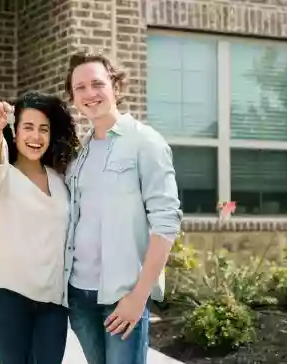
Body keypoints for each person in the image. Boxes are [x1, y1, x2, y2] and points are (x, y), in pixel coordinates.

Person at [62, 52, 183, 364]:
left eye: (98, 84)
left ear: (115, 86)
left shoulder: (146, 142)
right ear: (73, 97)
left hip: (123, 296)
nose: (90, 94)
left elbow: (166, 222)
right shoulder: (80, 153)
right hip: (79, 295)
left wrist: (139, 296)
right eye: (80, 88)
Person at [0, 91, 79, 364]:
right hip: (9, 297)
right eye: (28, 128)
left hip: (53, 302)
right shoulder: (3, 175)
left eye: (43, 129)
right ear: (15, 131)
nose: (36, 137)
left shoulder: (60, 179)